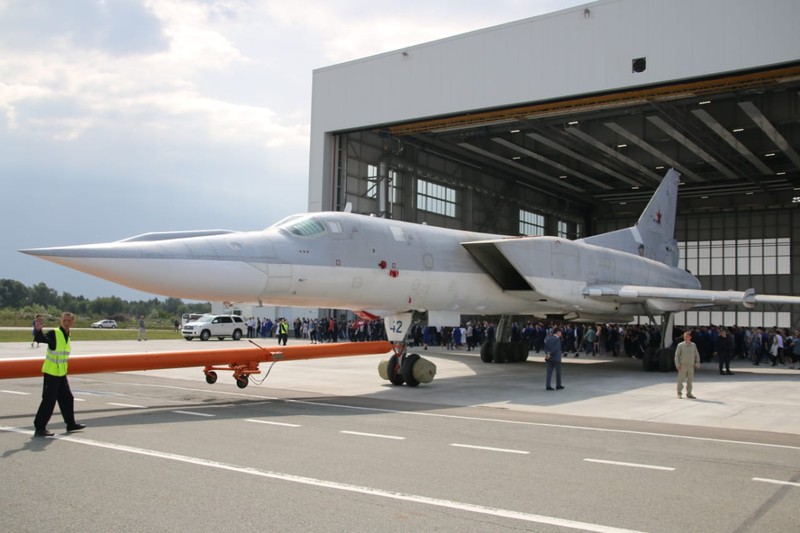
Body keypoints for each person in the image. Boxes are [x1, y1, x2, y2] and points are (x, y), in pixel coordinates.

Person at [32, 312, 85, 437]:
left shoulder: (68, 335)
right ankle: (39, 428)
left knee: (67, 398)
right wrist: (38, 330)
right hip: (51, 373)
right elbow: (41, 339)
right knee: (49, 401)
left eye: (69, 320)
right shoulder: (54, 333)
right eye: (64, 320)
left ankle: (70, 424)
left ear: (73, 322)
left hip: (61, 373)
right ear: (61, 320)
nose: (66, 322)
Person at [675, 331, 700, 399]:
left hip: (691, 366)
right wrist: (677, 364)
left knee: (690, 381)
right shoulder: (680, 345)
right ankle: (679, 393)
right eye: (684, 336)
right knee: (680, 380)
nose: (685, 338)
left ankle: (689, 393)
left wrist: (697, 362)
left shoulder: (693, 345)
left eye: (686, 336)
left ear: (690, 337)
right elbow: (677, 356)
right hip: (683, 366)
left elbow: (696, 354)